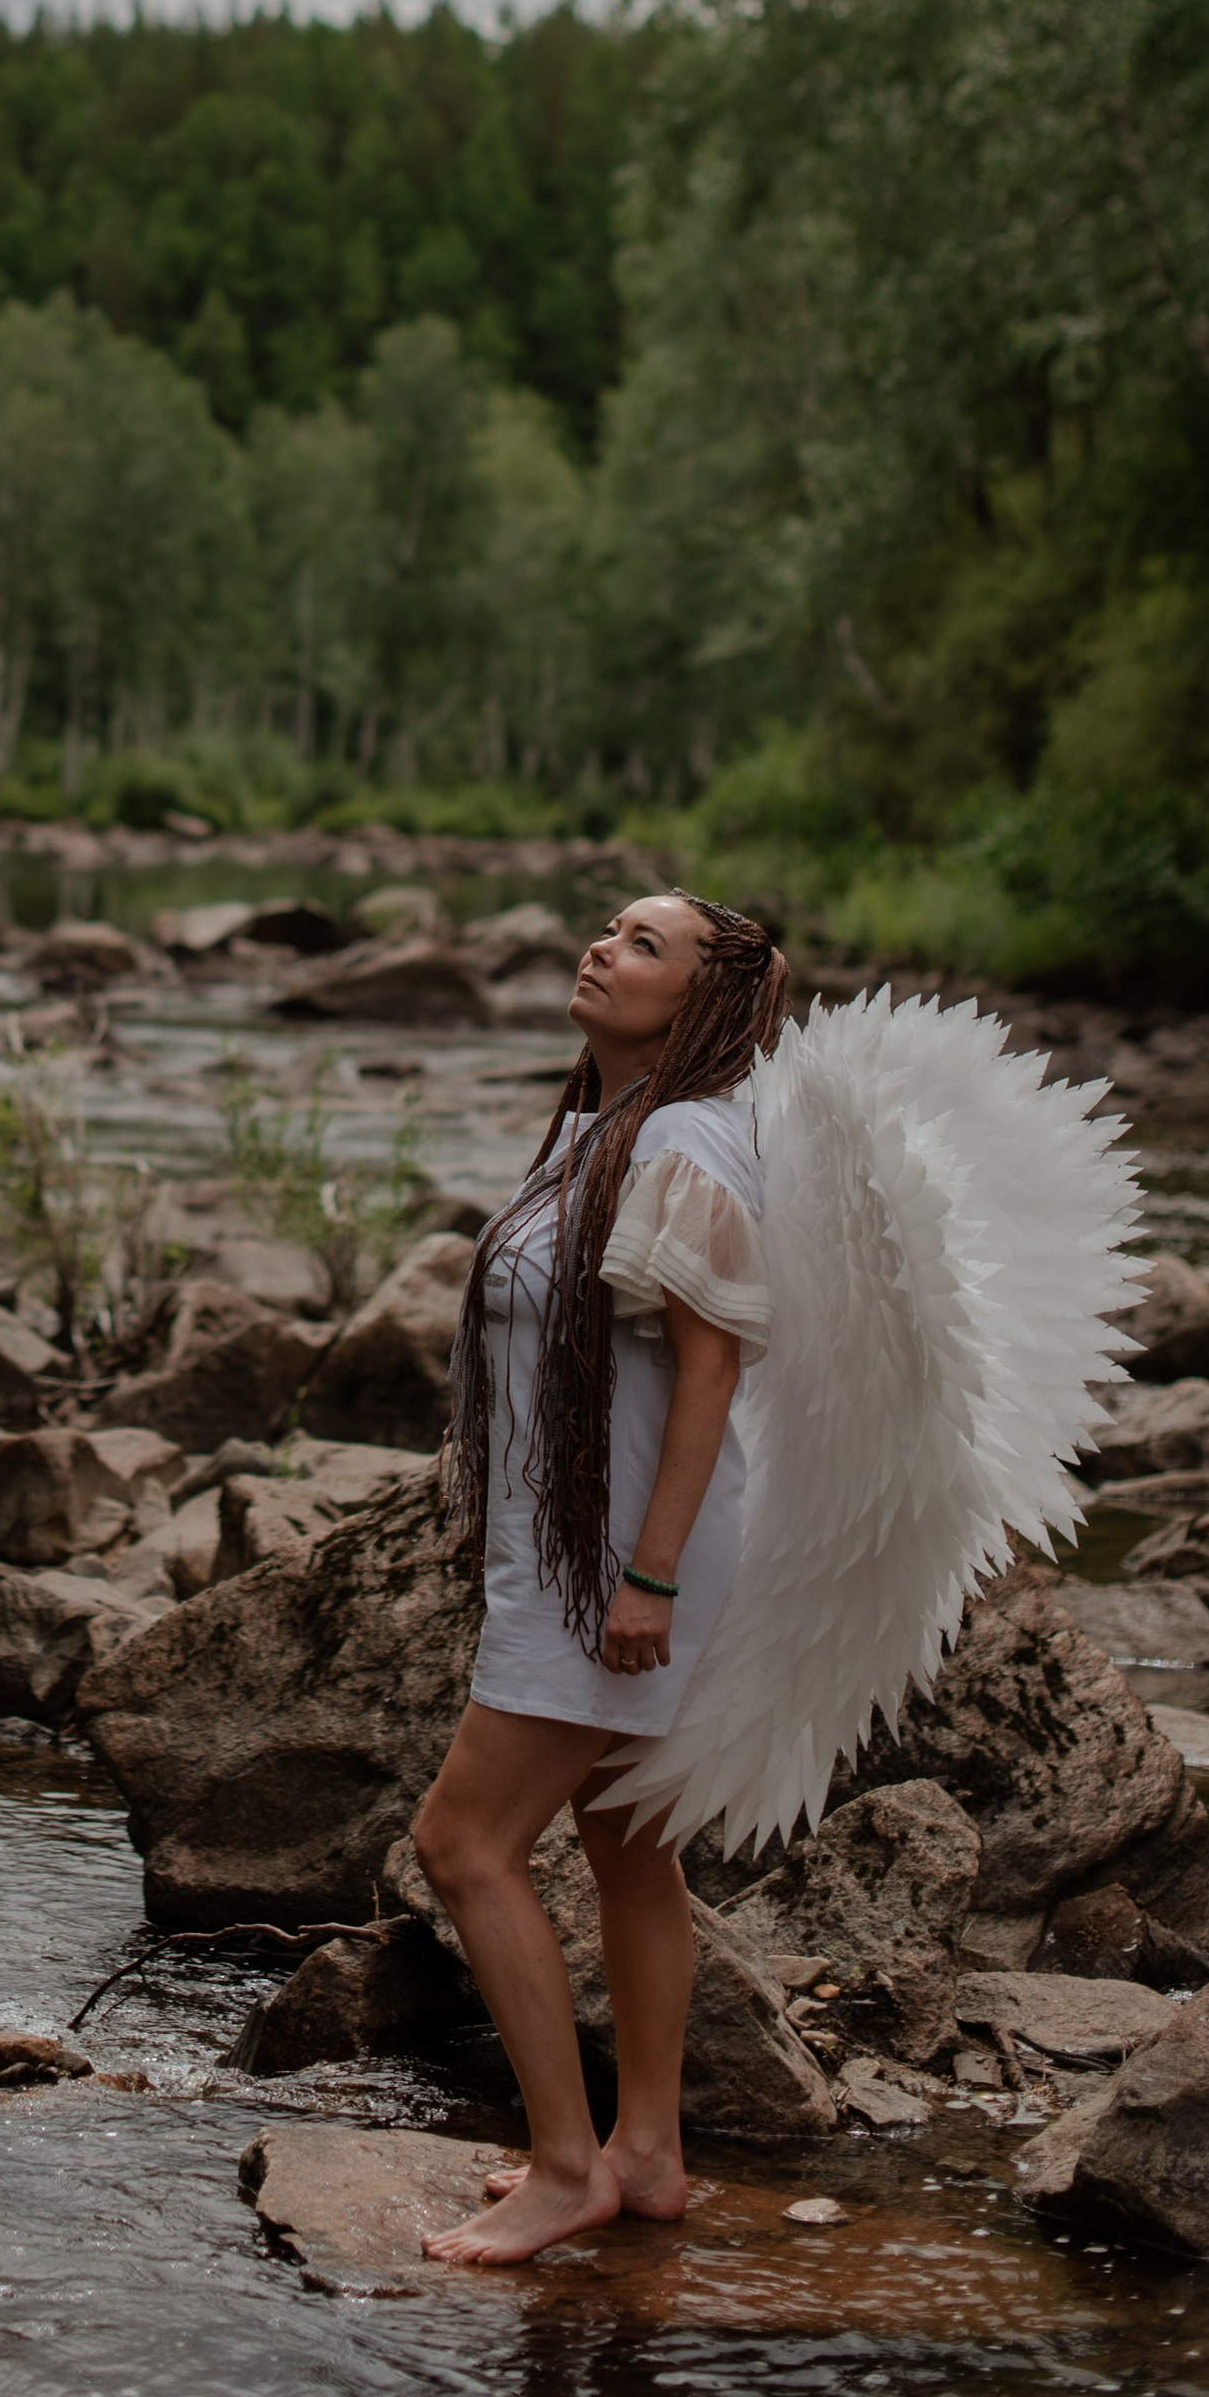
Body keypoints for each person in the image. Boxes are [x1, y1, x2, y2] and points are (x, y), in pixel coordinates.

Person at [413, 892, 788, 2268]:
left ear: (700, 1003)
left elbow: (711, 1370)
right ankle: (647, 2152)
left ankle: (567, 2168)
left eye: (642, 945)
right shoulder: (604, 1129)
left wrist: (650, 1579)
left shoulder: (685, 1141)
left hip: (623, 1566)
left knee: (462, 1844)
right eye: (609, 928)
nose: (600, 949)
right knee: (629, 1840)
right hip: (578, 1552)